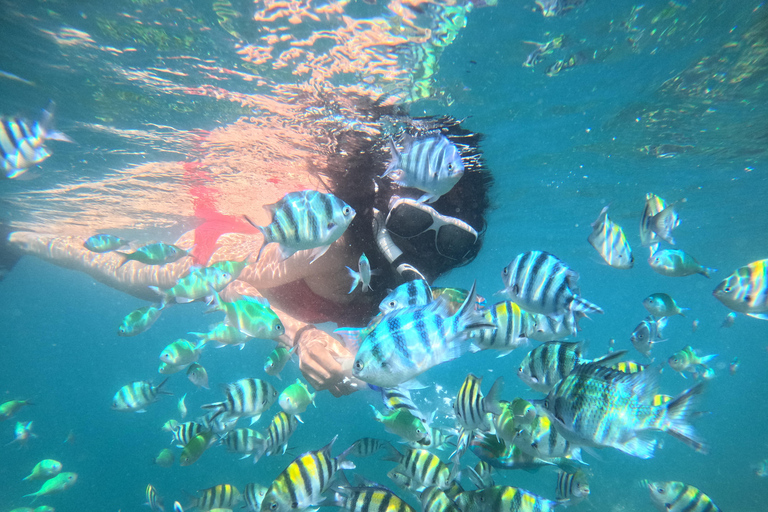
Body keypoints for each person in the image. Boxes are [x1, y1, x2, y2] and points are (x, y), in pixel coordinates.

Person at [2, 109, 492, 397]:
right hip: (231, 251)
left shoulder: (425, 282)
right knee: (130, 271)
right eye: (410, 222)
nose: (423, 246)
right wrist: (298, 337)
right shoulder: (333, 241)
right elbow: (226, 277)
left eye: (453, 241)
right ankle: (18, 236)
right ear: (386, 208)